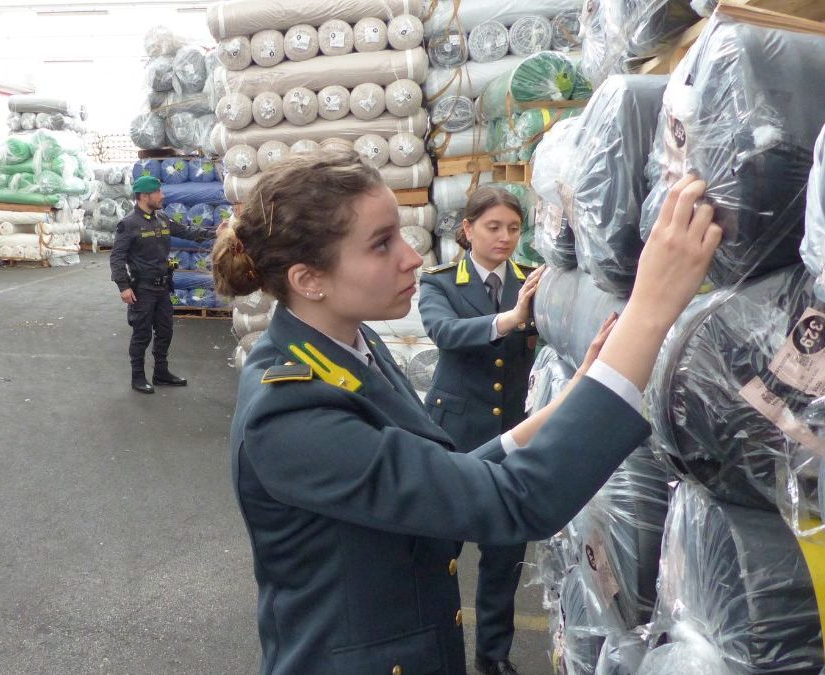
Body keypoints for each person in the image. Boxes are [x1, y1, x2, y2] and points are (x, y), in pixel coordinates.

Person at [211, 148, 720, 674]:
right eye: (381, 244)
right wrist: (651, 308)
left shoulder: (348, 347)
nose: (410, 257)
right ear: (308, 279)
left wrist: (572, 398)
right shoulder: (292, 413)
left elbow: (443, 477)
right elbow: (516, 501)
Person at [417, 187, 541, 675]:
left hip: (514, 436)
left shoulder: (534, 282)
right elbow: (444, 333)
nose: (506, 238)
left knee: (504, 552)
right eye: (494, 227)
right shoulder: (442, 283)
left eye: (514, 228)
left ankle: (493, 657)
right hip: (456, 434)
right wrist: (510, 320)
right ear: (467, 229)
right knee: (438, 549)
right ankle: (432, 650)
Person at [109, 175, 216, 394]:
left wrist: (217, 233)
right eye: (158, 192)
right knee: (142, 334)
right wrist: (123, 286)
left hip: (163, 287)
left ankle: (161, 373)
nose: (163, 195)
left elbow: (187, 232)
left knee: (165, 331)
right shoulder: (128, 224)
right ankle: (138, 377)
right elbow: (117, 257)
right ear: (144, 196)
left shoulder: (162, 218)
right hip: (142, 289)